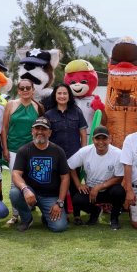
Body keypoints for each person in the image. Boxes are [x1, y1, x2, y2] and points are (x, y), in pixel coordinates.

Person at [9, 117, 70, 233]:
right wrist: (25, 189)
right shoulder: (24, 150)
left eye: (44, 129)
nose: (40, 132)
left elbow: (65, 177)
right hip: (30, 193)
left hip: (50, 196)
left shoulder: (58, 151)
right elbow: (16, 173)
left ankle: (46, 217)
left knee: (59, 227)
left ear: (50, 133)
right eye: (37, 129)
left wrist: (60, 202)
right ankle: (27, 219)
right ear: (32, 131)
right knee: (14, 193)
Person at [2, 78, 44, 225]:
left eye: (28, 88)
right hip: (14, 149)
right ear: (18, 90)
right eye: (22, 88)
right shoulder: (11, 105)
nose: (25, 91)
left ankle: (29, 207)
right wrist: (5, 149)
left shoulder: (38, 107)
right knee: (15, 182)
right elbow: (4, 128)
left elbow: (41, 130)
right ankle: (15, 214)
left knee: (31, 179)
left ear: (33, 90)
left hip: (32, 150)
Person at [45, 83, 88, 223]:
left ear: (69, 96)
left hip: (75, 156)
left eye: (65, 93)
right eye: (59, 93)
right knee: (58, 186)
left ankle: (76, 215)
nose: (62, 96)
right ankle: (62, 213)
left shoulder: (77, 111)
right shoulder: (48, 114)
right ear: (55, 96)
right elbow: (45, 136)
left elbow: (83, 133)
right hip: (56, 157)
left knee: (75, 187)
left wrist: (83, 152)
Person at [69, 126, 126, 230]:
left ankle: (114, 219)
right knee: (77, 199)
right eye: (97, 138)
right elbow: (70, 166)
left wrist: (99, 187)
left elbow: (119, 177)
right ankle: (95, 211)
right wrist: (78, 184)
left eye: (104, 138)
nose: (100, 142)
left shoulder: (118, 153)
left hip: (109, 189)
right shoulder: (84, 151)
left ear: (109, 139)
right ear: (92, 139)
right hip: (91, 191)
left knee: (119, 191)